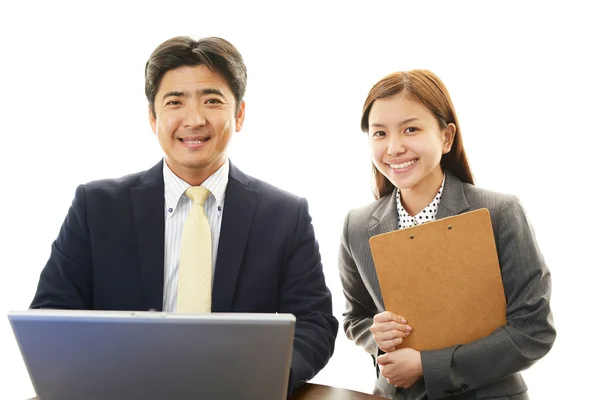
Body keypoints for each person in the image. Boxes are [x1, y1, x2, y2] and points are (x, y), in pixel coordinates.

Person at [30, 35, 338, 395]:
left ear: (239, 114)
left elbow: (314, 323)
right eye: (175, 102)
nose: (194, 119)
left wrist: (260, 378)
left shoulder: (286, 216)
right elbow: (51, 316)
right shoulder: (95, 207)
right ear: (153, 116)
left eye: (212, 101)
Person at [338, 69, 555, 399]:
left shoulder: (499, 213)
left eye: (410, 129)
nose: (394, 147)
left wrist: (428, 365)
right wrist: (376, 335)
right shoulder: (357, 225)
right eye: (379, 133)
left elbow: (533, 330)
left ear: (446, 137)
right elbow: (355, 317)